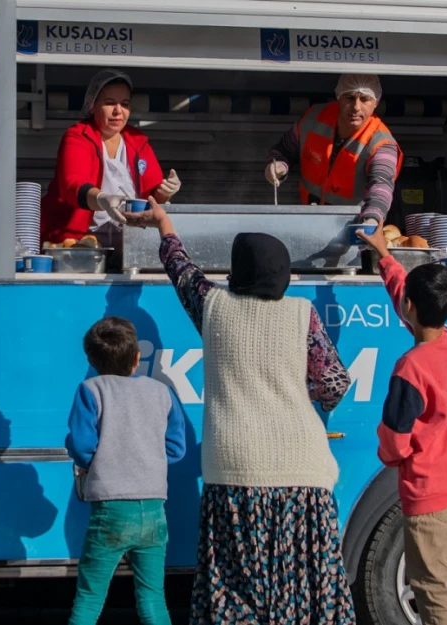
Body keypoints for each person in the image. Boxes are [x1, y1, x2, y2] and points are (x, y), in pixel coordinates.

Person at [124, 199, 356, 625]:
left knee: (235, 584)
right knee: (301, 583)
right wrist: (300, 390)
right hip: (301, 468)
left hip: (235, 470)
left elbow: (180, 268)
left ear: (237, 272)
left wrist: (162, 221)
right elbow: (335, 382)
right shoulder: (302, 314)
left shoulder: (213, 307)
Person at [356, 226, 447, 625]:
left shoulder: (410, 368)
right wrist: (385, 256)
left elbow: (394, 439)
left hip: (427, 495)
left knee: (430, 586)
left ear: (409, 308)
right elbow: (410, 305)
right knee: (436, 577)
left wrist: (391, 456)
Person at [64, 316, 188, 625]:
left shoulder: (91, 389)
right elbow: (176, 448)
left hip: (110, 511)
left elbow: (81, 445)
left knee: (90, 598)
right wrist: (144, 460)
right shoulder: (161, 392)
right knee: (153, 598)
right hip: (154, 510)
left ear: (92, 360)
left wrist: (102, 461)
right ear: (137, 357)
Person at [41, 69, 182, 246]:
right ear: (93, 104)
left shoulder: (138, 141)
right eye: (109, 103)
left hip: (131, 242)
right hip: (78, 241)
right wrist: (102, 199)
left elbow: (153, 196)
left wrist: (166, 192)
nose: (118, 111)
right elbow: (72, 186)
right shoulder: (77, 136)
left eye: (125, 104)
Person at [265, 74, 403, 227]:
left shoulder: (382, 144)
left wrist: (372, 220)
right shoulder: (313, 118)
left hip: (352, 229)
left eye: (364, 99)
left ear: (375, 102)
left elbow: (381, 187)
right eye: (349, 98)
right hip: (308, 221)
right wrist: (278, 165)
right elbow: (285, 149)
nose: (356, 107)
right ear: (339, 97)